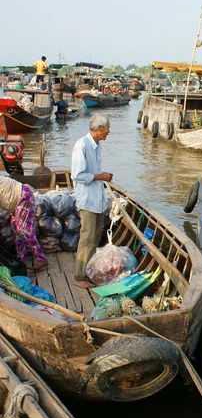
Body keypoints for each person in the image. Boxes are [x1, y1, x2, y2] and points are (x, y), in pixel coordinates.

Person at [71, 114, 113, 289]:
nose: (108, 132)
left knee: (95, 237)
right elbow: (78, 175)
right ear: (100, 128)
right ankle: (79, 275)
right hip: (88, 200)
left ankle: (88, 271)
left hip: (97, 200)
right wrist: (100, 176)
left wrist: (101, 176)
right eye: (107, 129)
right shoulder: (82, 145)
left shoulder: (96, 146)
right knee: (87, 238)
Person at [0, 175, 47, 270]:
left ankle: (41, 258)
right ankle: (21, 258)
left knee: (25, 231)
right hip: (15, 202)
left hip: (23, 197)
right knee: (16, 230)